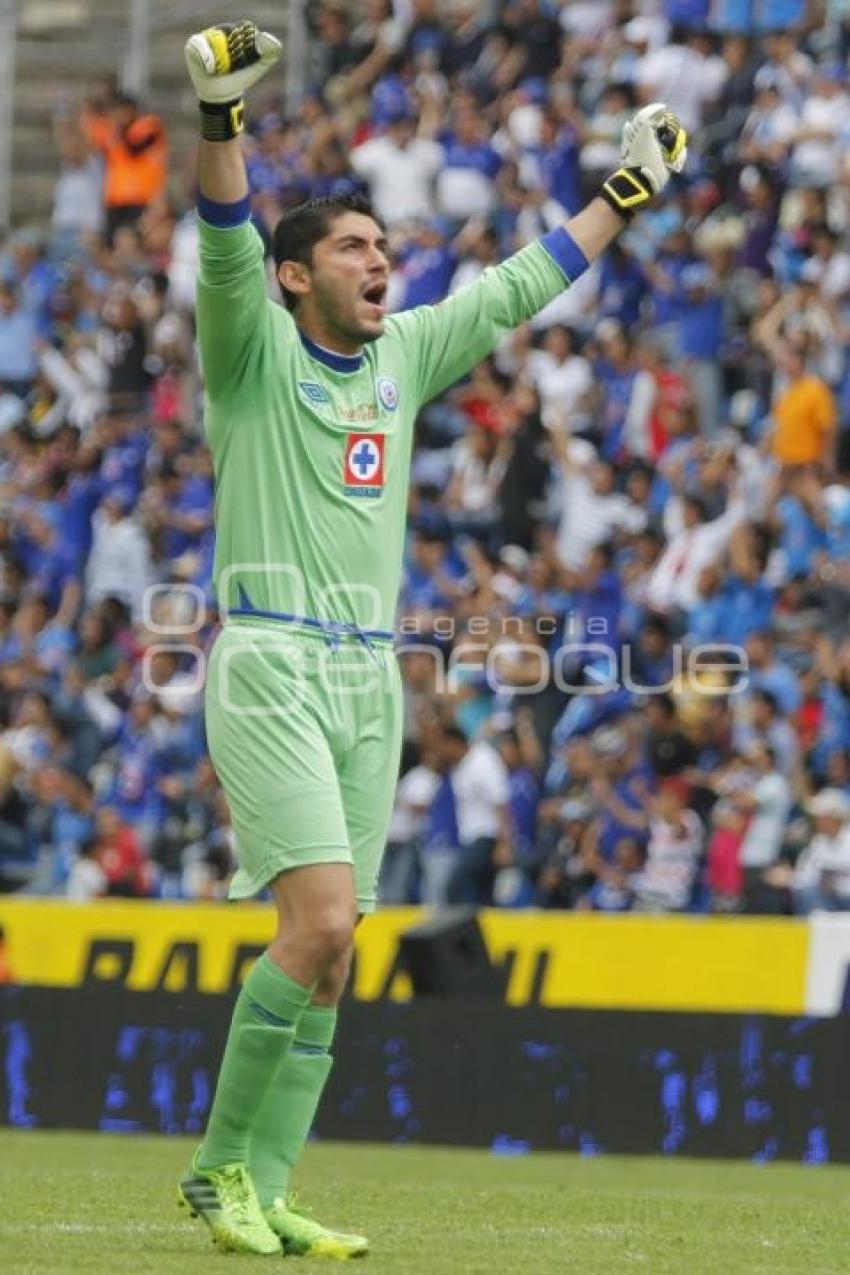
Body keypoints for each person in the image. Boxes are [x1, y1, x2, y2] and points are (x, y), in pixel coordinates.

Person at [177, 17, 686, 1259]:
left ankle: (271, 1187)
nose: (378, 261)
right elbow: (227, 242)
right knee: (323, 926)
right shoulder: (249, 353)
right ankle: (212, 1175)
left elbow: (520, 283)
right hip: (269, 663)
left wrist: (623, 190)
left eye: (383, 247)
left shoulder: (402, 355)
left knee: (339, 955)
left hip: (369, 674)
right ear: (299, 275)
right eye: (352, 245)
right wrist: (220, 117)